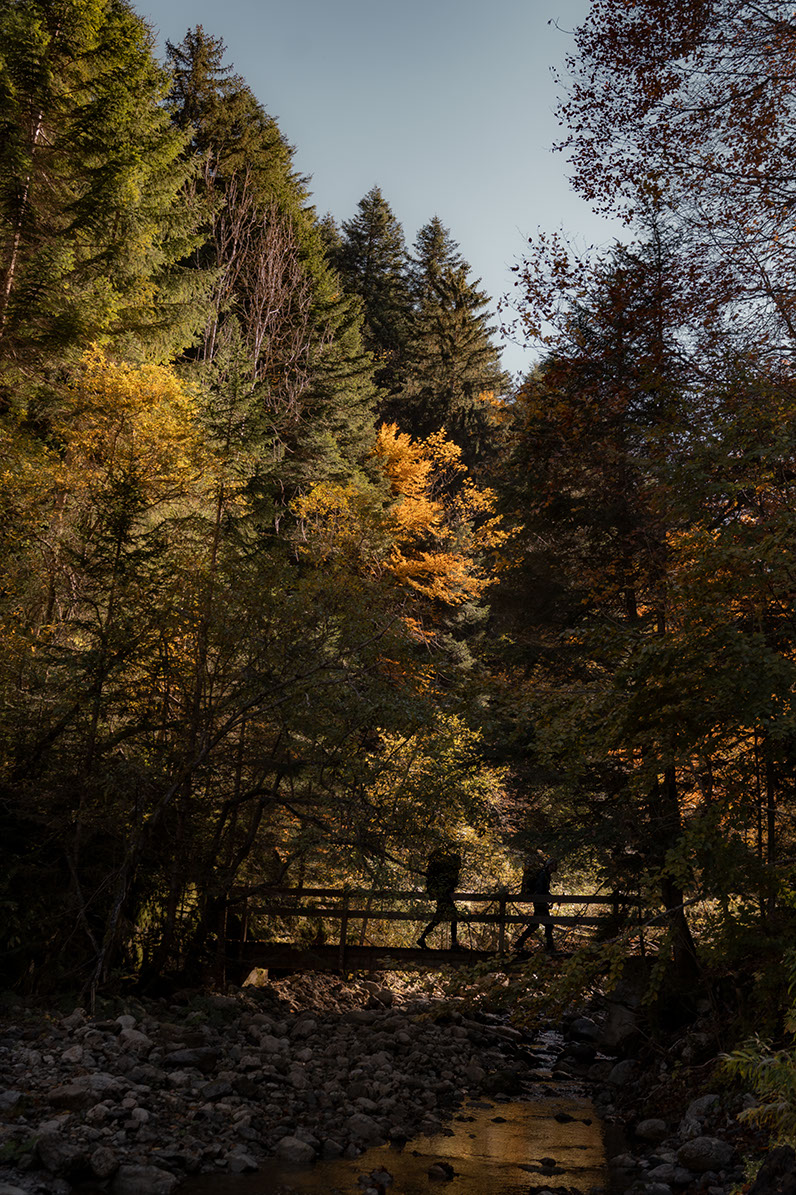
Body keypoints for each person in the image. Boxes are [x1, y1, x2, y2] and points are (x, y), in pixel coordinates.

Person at [417, 847, 462, 949]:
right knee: (453, 917)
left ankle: (422, 938)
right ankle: (454, 943)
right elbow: (448, 885)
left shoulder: (446, 871)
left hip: (442, 896)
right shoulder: (449, 872)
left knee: (437, 919)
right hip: (443, 897)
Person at [513, 857, 559, 954]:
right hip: (539, 903)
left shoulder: (546, 875)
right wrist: (544, 903)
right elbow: (540, 891)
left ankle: (519, 943)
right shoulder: (543, 875)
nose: (556, 866)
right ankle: (550, 948)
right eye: (555, 864)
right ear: (550, 865)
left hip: (540, 903)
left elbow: (544, 891)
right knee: (549, 925)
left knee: (535, 925)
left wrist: (551, 899)